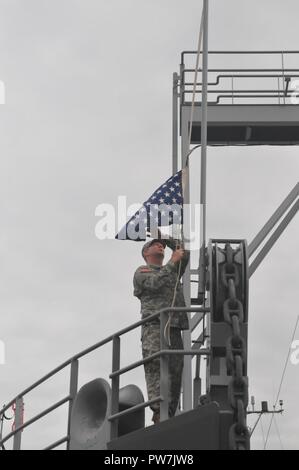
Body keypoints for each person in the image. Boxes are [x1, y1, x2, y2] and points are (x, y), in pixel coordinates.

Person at [133, 235, 190, 424]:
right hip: (155, 328)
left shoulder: (172, 270)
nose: (159, 246)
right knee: (156, 370)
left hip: (174, 328)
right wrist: (172, 262)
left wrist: (168, 239)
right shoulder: (142, 271)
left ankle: (170, 414)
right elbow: (154, 284)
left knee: (175, 371)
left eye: (161, 245)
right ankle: (159, 412)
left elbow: (185, 254)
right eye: (154, 244)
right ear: (146, 253)